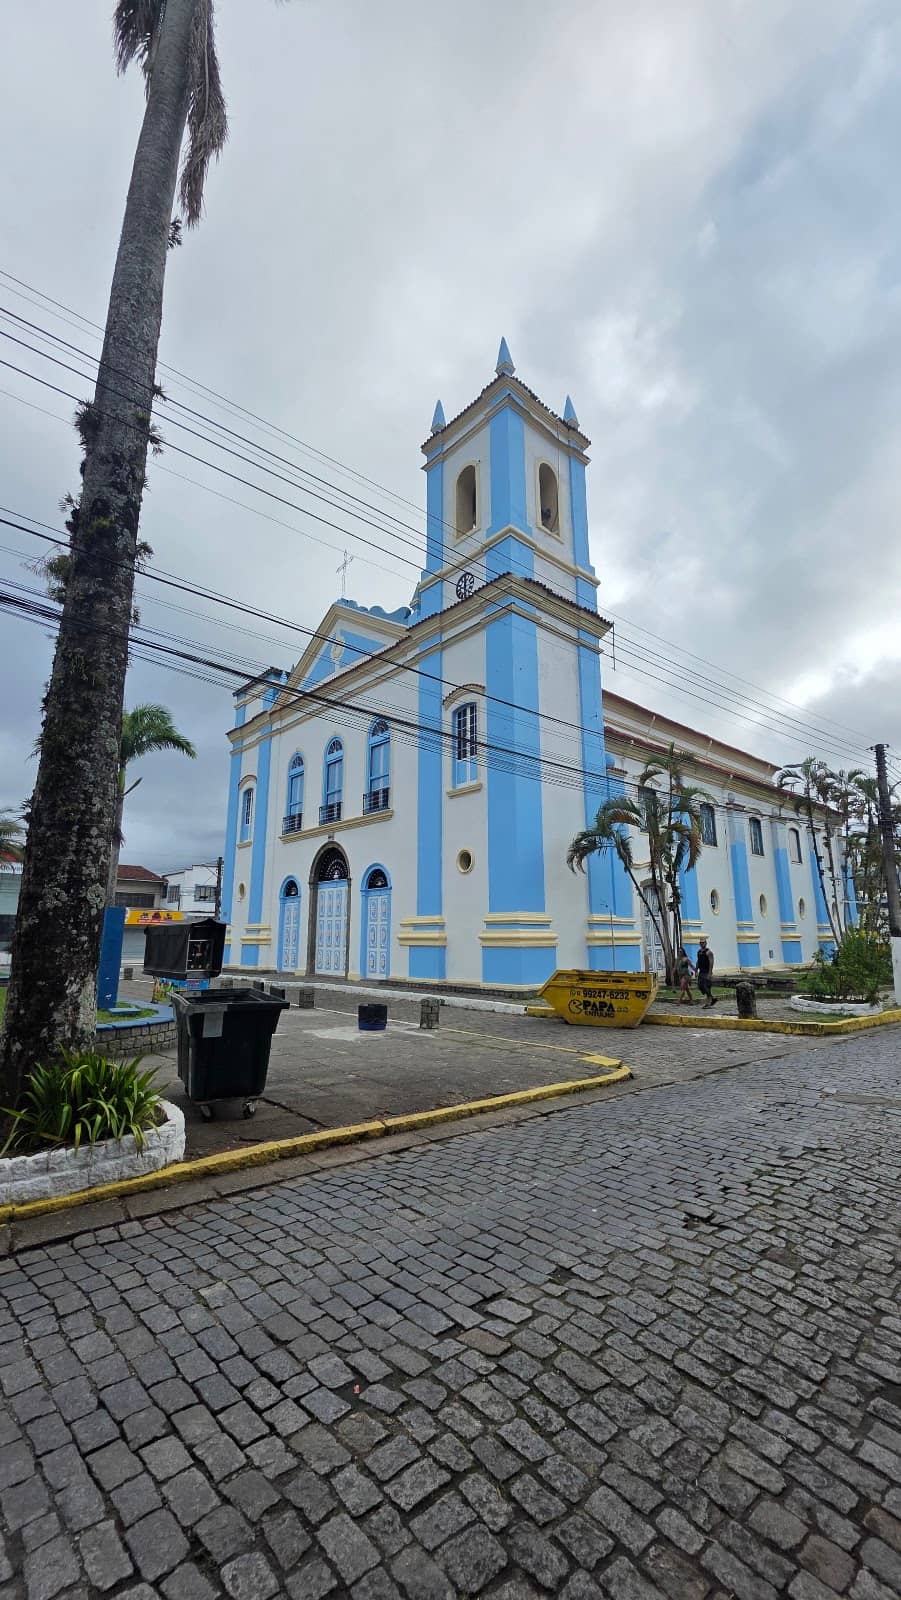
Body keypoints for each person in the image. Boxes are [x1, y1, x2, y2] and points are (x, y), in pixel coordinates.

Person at [696, 937, 716, 1006]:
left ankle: (708, 1002)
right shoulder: (699, 952)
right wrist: (696, 970)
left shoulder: (709, 952)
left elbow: (711, 962)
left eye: (703, 942)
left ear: (706, 943)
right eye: (701, 943)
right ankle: (712, 998)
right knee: (700, 986)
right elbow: (698, 961)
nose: (702, 944)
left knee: (706, 986)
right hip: (701, 971)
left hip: (706, 971)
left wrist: (710, 973)